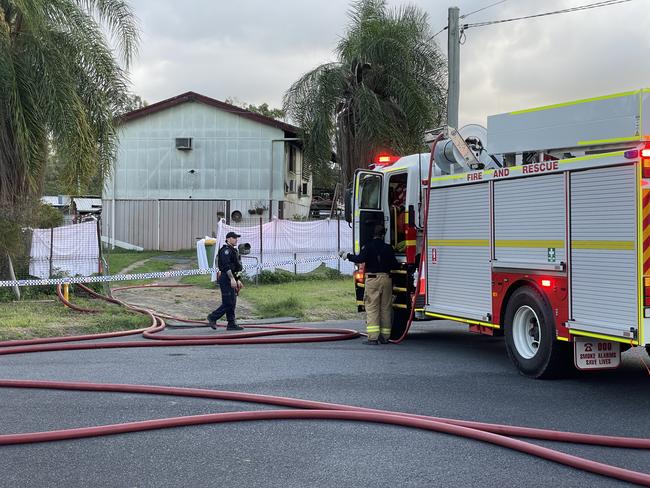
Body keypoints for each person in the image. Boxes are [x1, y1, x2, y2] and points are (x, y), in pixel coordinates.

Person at [340, 224, 398, 345]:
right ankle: (385, 337)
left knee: (372, 308)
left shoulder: (368, 246)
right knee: (385, 309)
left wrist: (346, 255)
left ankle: (373, 337)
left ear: (374, 234)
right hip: (387, 279)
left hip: (372, 280)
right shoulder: (388, 248)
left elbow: (359, 259)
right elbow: (394, 265)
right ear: (383, 234)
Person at [207, 231, 244, 331]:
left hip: (232, 278)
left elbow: (237, 268)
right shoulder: (225, 251)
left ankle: (231, 323)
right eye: (234, 237)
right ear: (228, 239)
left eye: (236, 237)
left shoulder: (234, 251)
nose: (236, 239)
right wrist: (232, 279)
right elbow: (226, 266)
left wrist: (238, 280)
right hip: (226, 278)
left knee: (233, 301)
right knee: (228, 302)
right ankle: (212, 317)